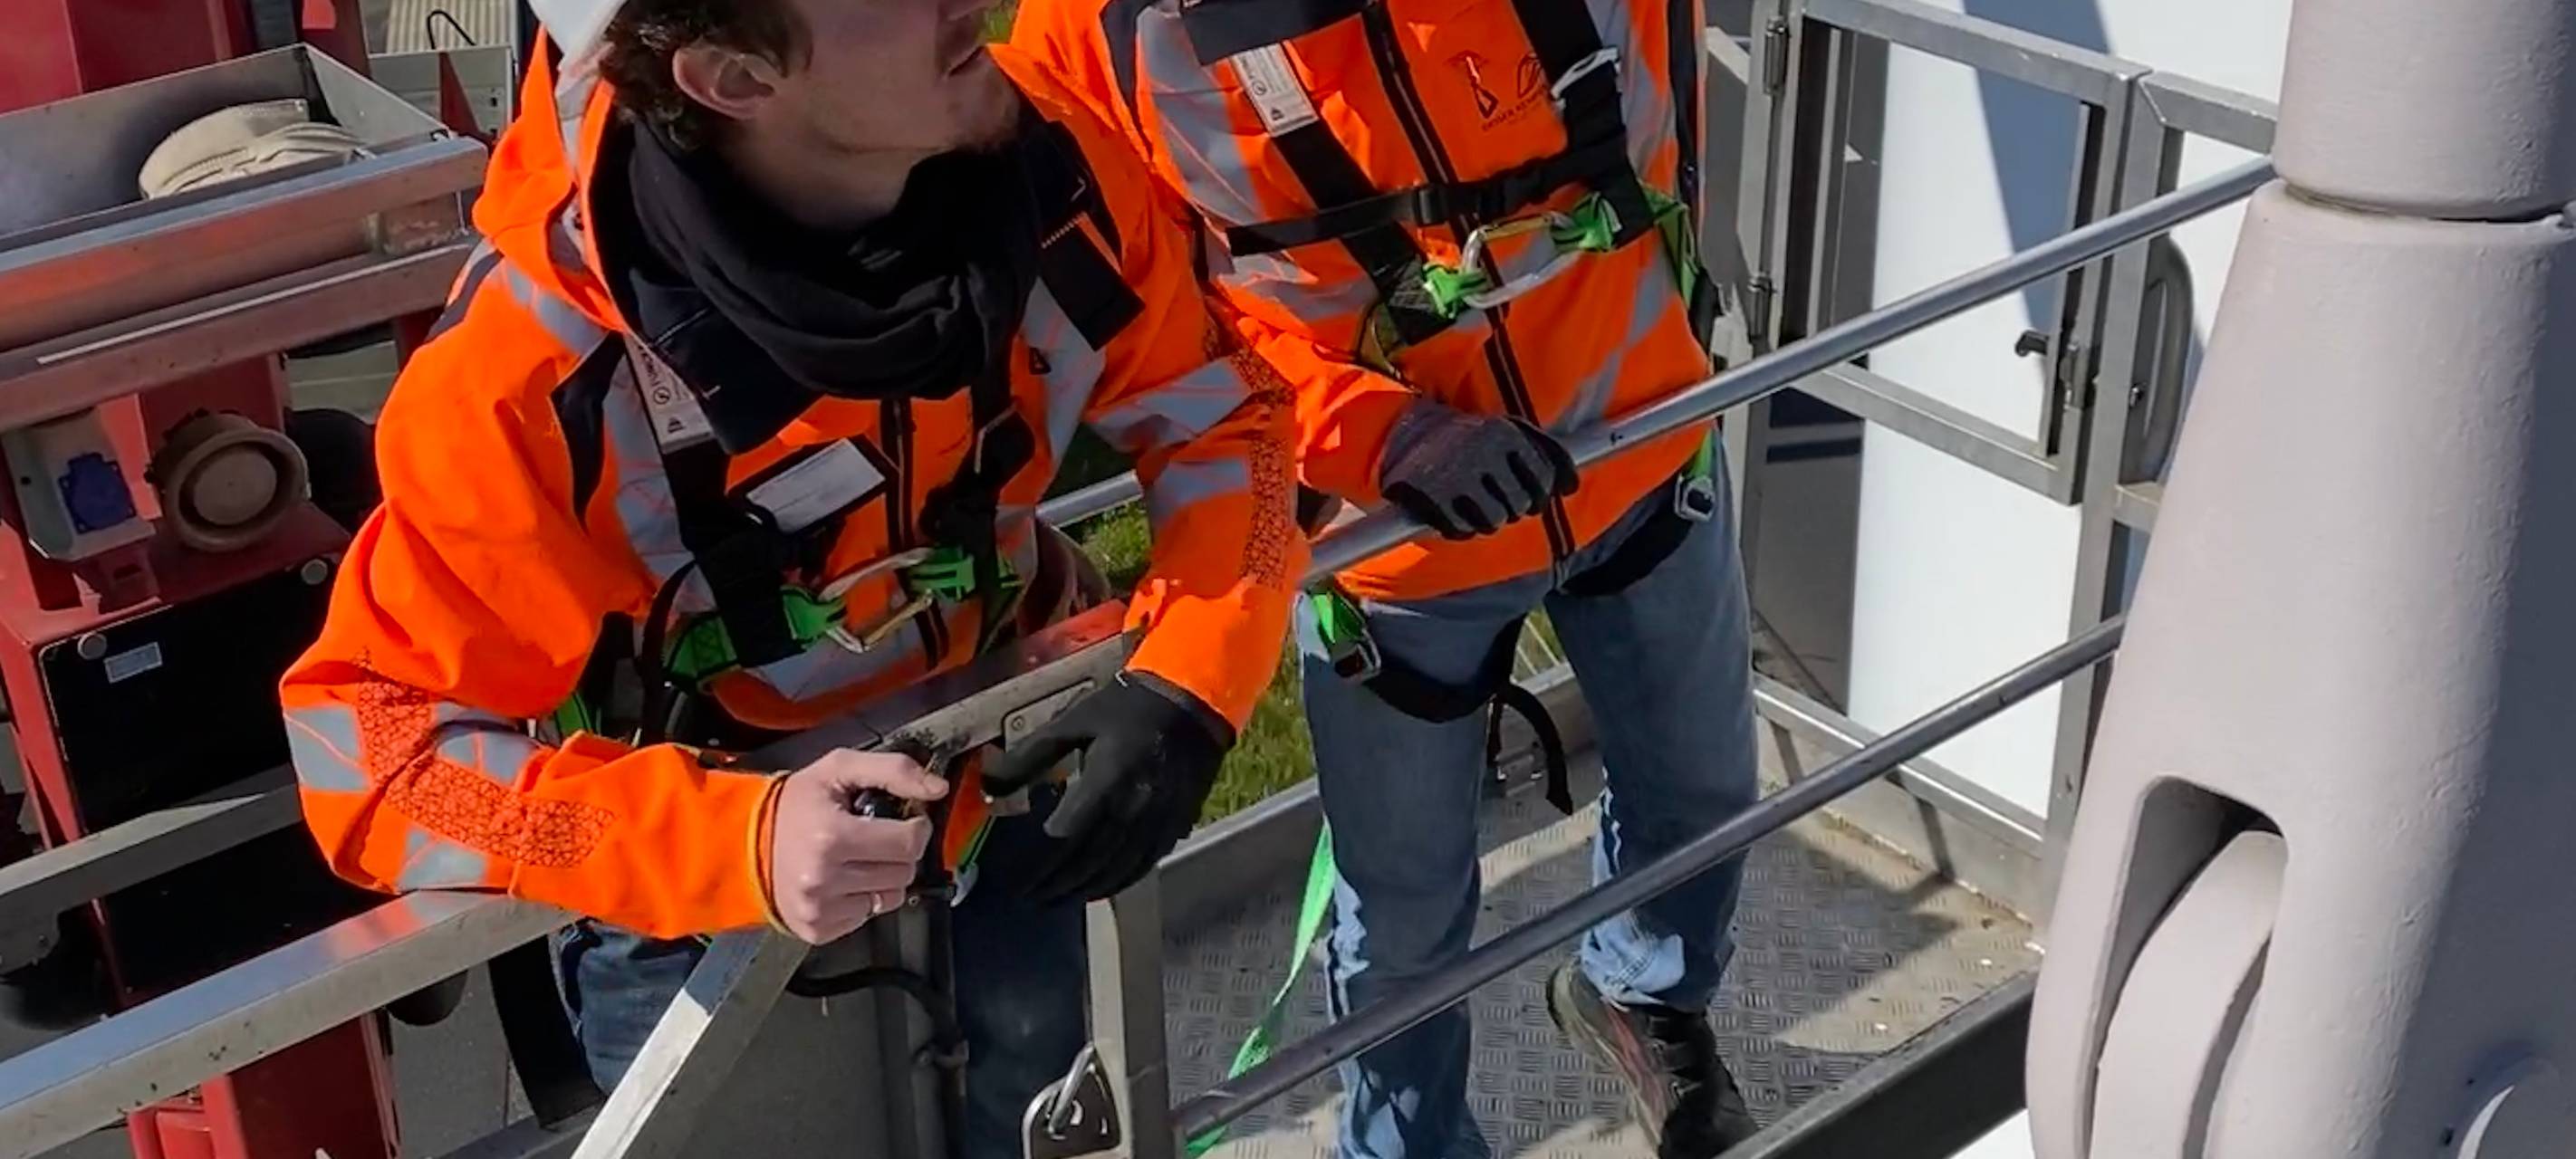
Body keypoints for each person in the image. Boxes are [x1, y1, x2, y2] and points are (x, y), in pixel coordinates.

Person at [276, 0, 1303, 1151]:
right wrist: (731, 842)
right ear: (731, 76)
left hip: (1012, 799)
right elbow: (367, 750)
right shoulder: (535, 369)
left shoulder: (1048, 169)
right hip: (700, 910)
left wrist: (1192, 677)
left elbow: (1230, 423)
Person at [1010, 0, 1763, 1154]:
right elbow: (1161, 322)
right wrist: (1372, 434)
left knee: (1705, 795)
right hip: (1393, 546)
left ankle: (1642, 995)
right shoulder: (1099, 38)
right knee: (1403, 916)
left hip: (1643, 450)